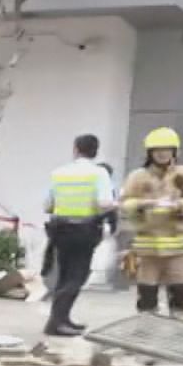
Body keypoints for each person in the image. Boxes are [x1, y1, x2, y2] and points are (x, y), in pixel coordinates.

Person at [121, 128, 183, 315]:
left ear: (174, 151)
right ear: (149, 153)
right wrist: (144, 204)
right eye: (157, 150)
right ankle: (146, 334)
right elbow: (125, 202)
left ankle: (179, 336)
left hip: (178, 246)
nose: (162, 153)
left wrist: (181, 205)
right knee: (147, 297)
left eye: (167, 149)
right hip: (146, 247)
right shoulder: (137, 176)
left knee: (182, 294)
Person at [42, 134, 118, 336]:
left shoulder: (59, 173)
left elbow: (47, 205)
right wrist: (118, 204)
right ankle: (57, 322)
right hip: (84, 230)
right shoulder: (99, 173)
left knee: (64, 274)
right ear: (95, 151)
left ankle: (60, 319)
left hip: (60, 229)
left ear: (75, 149)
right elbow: (104, 204)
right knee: (77, 276)